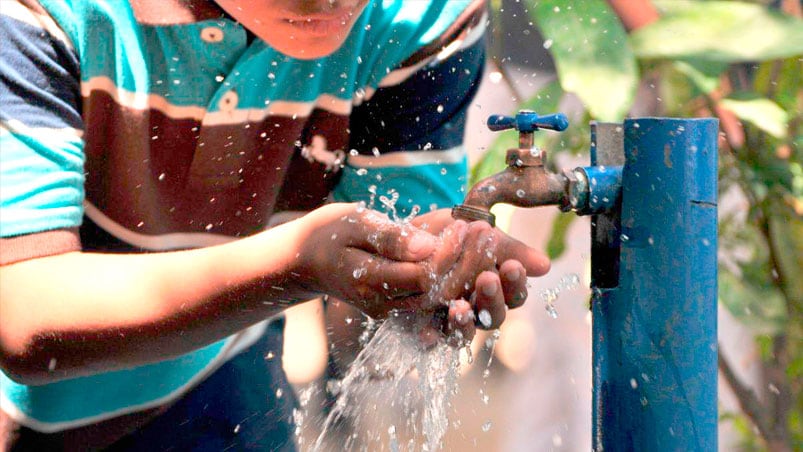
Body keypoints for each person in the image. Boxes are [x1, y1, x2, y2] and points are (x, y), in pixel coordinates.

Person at [0, 0, 550, 449]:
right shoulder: (46, 14)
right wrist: (295, 266)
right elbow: (22, 310)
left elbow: (372, 314)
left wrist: (423, 274)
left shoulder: (415, 17)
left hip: (219, 387)